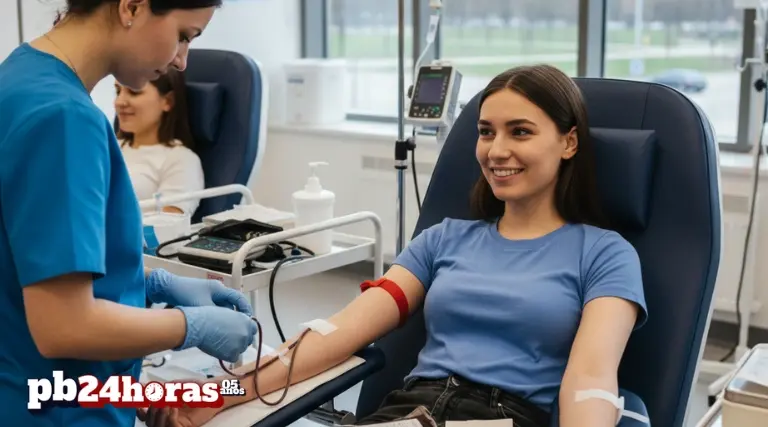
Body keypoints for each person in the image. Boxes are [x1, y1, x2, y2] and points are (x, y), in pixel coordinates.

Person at [141, 64, 649, 427]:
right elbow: (335, 334)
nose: (497, 151)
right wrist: (216, 394)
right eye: (486, 132)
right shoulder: (444, 240)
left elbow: (590, 381)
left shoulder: (604, 254)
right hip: (408, 411)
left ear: (569, 142)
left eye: (521, 132)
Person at [0, 1, 258, 426]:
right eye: (183, 36)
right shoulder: (65, 119)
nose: (181, 59)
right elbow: (64, 326)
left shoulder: (21, 75)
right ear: (132, 7)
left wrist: (148, 282)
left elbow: (30, 251)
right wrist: (188, 326)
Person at [115, 68, 205, 215]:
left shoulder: (181, 159)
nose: (119, 102)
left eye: (134, 92)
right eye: (118, 91)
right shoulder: (110, 146)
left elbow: (169, 227)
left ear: (168, 101)